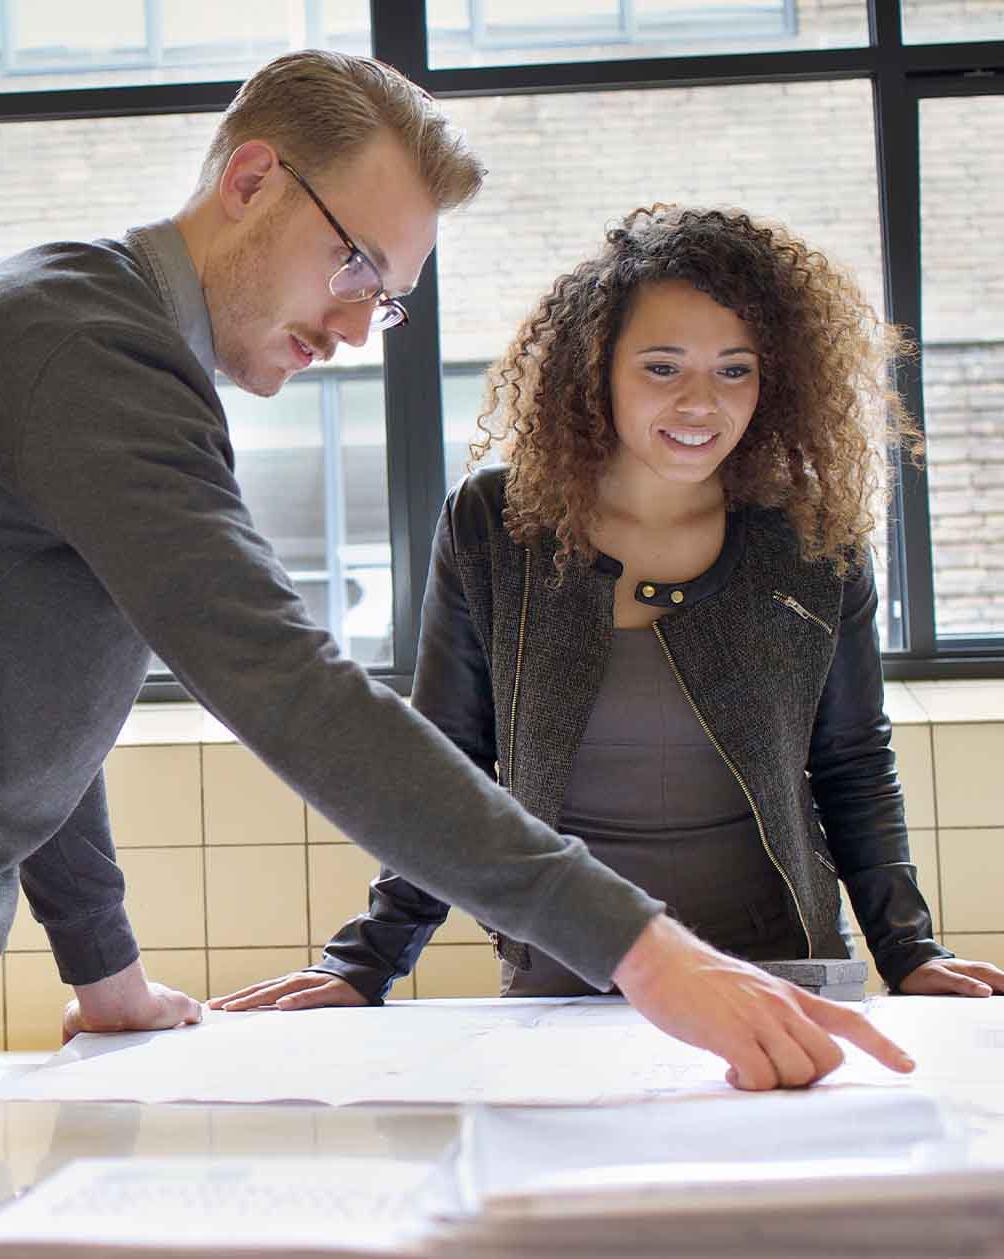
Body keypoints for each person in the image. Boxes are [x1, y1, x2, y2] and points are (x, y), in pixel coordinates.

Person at [0, 47, 912, 1092]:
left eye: (382, 299)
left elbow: (36, 689)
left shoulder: (101, 340)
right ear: (250, 181)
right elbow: (283, 682)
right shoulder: (92, 351)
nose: (354, 329)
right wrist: (643, 949)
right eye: (352, 264)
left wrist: (104, 967)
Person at [214, 203, 1004, 1027]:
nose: (702, 402)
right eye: (663, 367)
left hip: (783, 974)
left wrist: (912, 954)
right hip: (567, 979)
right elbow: (448, 763)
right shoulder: (495, 525)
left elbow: (851, 762)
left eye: (735, 369)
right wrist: (367, 959)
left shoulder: (809, 541)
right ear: (597, 370)